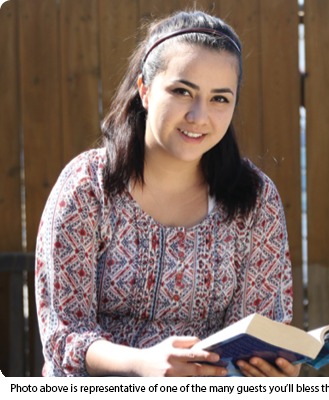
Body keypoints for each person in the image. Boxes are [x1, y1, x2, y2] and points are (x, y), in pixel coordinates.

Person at [35, 9, 300, 378]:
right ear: (144, 90)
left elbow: (260, 327)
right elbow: (63, 335)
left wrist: (269, 370)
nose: (198, 116)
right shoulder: (87, 185)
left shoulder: (255, 200)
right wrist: (141, 364)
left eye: (220, 99)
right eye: (182, 91)